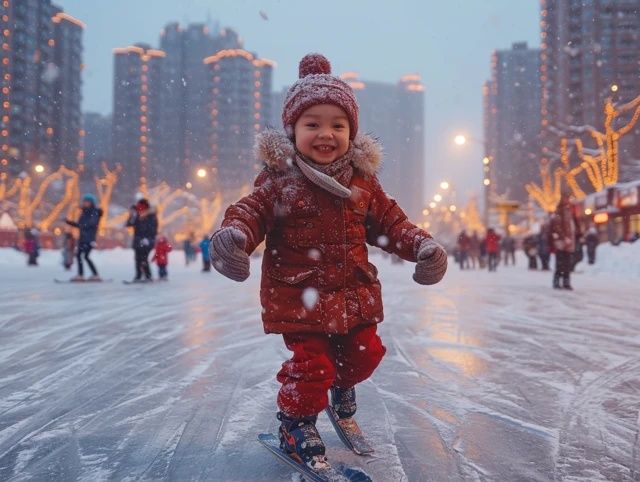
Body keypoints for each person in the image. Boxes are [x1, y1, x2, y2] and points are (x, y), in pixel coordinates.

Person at [208, 53, 448, 472]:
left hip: (354, 296)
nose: (326, 134)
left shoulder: (363, 184)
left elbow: (394, 223)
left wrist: (423, 246)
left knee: (365, 354)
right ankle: (295, 423)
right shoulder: (280, 182)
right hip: (300, 297)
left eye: (337, 125)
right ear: (292, 131)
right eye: (312, 124)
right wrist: (236, 238)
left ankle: (343, 388)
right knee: (312, 366)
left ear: (351, 133)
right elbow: (249, 213)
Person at [65, 194, 103, 281]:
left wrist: (83, 225)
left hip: (89, 238)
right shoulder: (84, 212)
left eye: (87, 202)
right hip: (82, 237)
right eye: (84, 201)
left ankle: (94, 275)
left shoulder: (94, 212)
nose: (85, 203)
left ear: (91, 203)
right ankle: (82, 275)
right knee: (80, 256)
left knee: (85, 256)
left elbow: (91, 224)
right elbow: (80, 225)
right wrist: (69, 222)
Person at [549, 192, 577, 290]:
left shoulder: (570, 210)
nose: (568, 200)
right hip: (561, 242)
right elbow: (557, 227)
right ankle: (557, 281)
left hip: (569, 242)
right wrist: (563, 237)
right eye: (566, 198)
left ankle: (566, 282)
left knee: (567, 263)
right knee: (560, 263)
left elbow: (573, 226)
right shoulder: (559, 211)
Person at [125, 198, 158, 282]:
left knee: (143, 258)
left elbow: (153, 230)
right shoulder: (137, 217)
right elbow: (129, 224)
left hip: (147, 241)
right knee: (137, 258)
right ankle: (138, 276)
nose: (140, 211)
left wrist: (147, 239)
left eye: (142, 209)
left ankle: (148, 276)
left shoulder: (151, 216)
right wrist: (132, 215)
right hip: (137, 240)